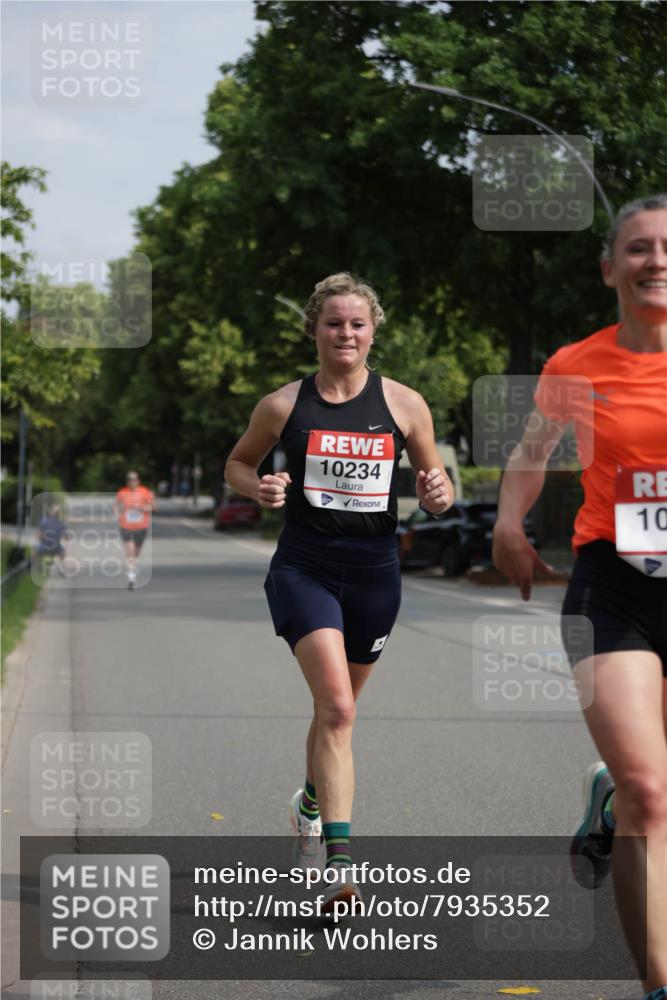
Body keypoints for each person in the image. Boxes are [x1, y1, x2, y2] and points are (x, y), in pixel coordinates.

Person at [225, 273, 453, 911]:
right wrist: (258, 488)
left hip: (377, 573)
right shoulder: (283, 405)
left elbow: (436, 481)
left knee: (336, 713)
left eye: (356, 323)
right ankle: (340, 865)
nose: (345, 333)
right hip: (306, 568)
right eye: (333, 323)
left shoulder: (405, 404)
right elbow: (238, 463)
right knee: (341, 712)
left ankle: (306, 804)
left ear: (373, 330)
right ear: (314, 330)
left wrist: (438, 494)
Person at [492, 194, 667, 999]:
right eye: (637, 248)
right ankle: (657, 986)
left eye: (666, 248)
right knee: (648, 792)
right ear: (608, 269)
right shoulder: (577, 364)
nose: (655, 260)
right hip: (613, 586)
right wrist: (506, 523)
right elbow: (532, 454)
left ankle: (601, 807)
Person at [114, 471, 155, 590]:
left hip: (141, 527)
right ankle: (131, 577)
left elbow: (152, 507)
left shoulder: (145, 492)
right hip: (126, 526)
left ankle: (132, 568)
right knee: (130, 550)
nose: (132, 481)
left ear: (138, 481)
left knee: (136, 552)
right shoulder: (122, 492)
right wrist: (118, 513)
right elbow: (116, 506)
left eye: (134, 479)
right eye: (129, 479)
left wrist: (141, 508)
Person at [36, 501, 67, 576]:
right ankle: (60, 568)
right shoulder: (61, 523)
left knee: (35, 551)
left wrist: (43, 541)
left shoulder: (43, 521)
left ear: (50, 512)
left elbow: (38, 535)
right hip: (56, 548)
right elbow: (65, 537)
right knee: (63, 551)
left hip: (44, 547)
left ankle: (37, 569)